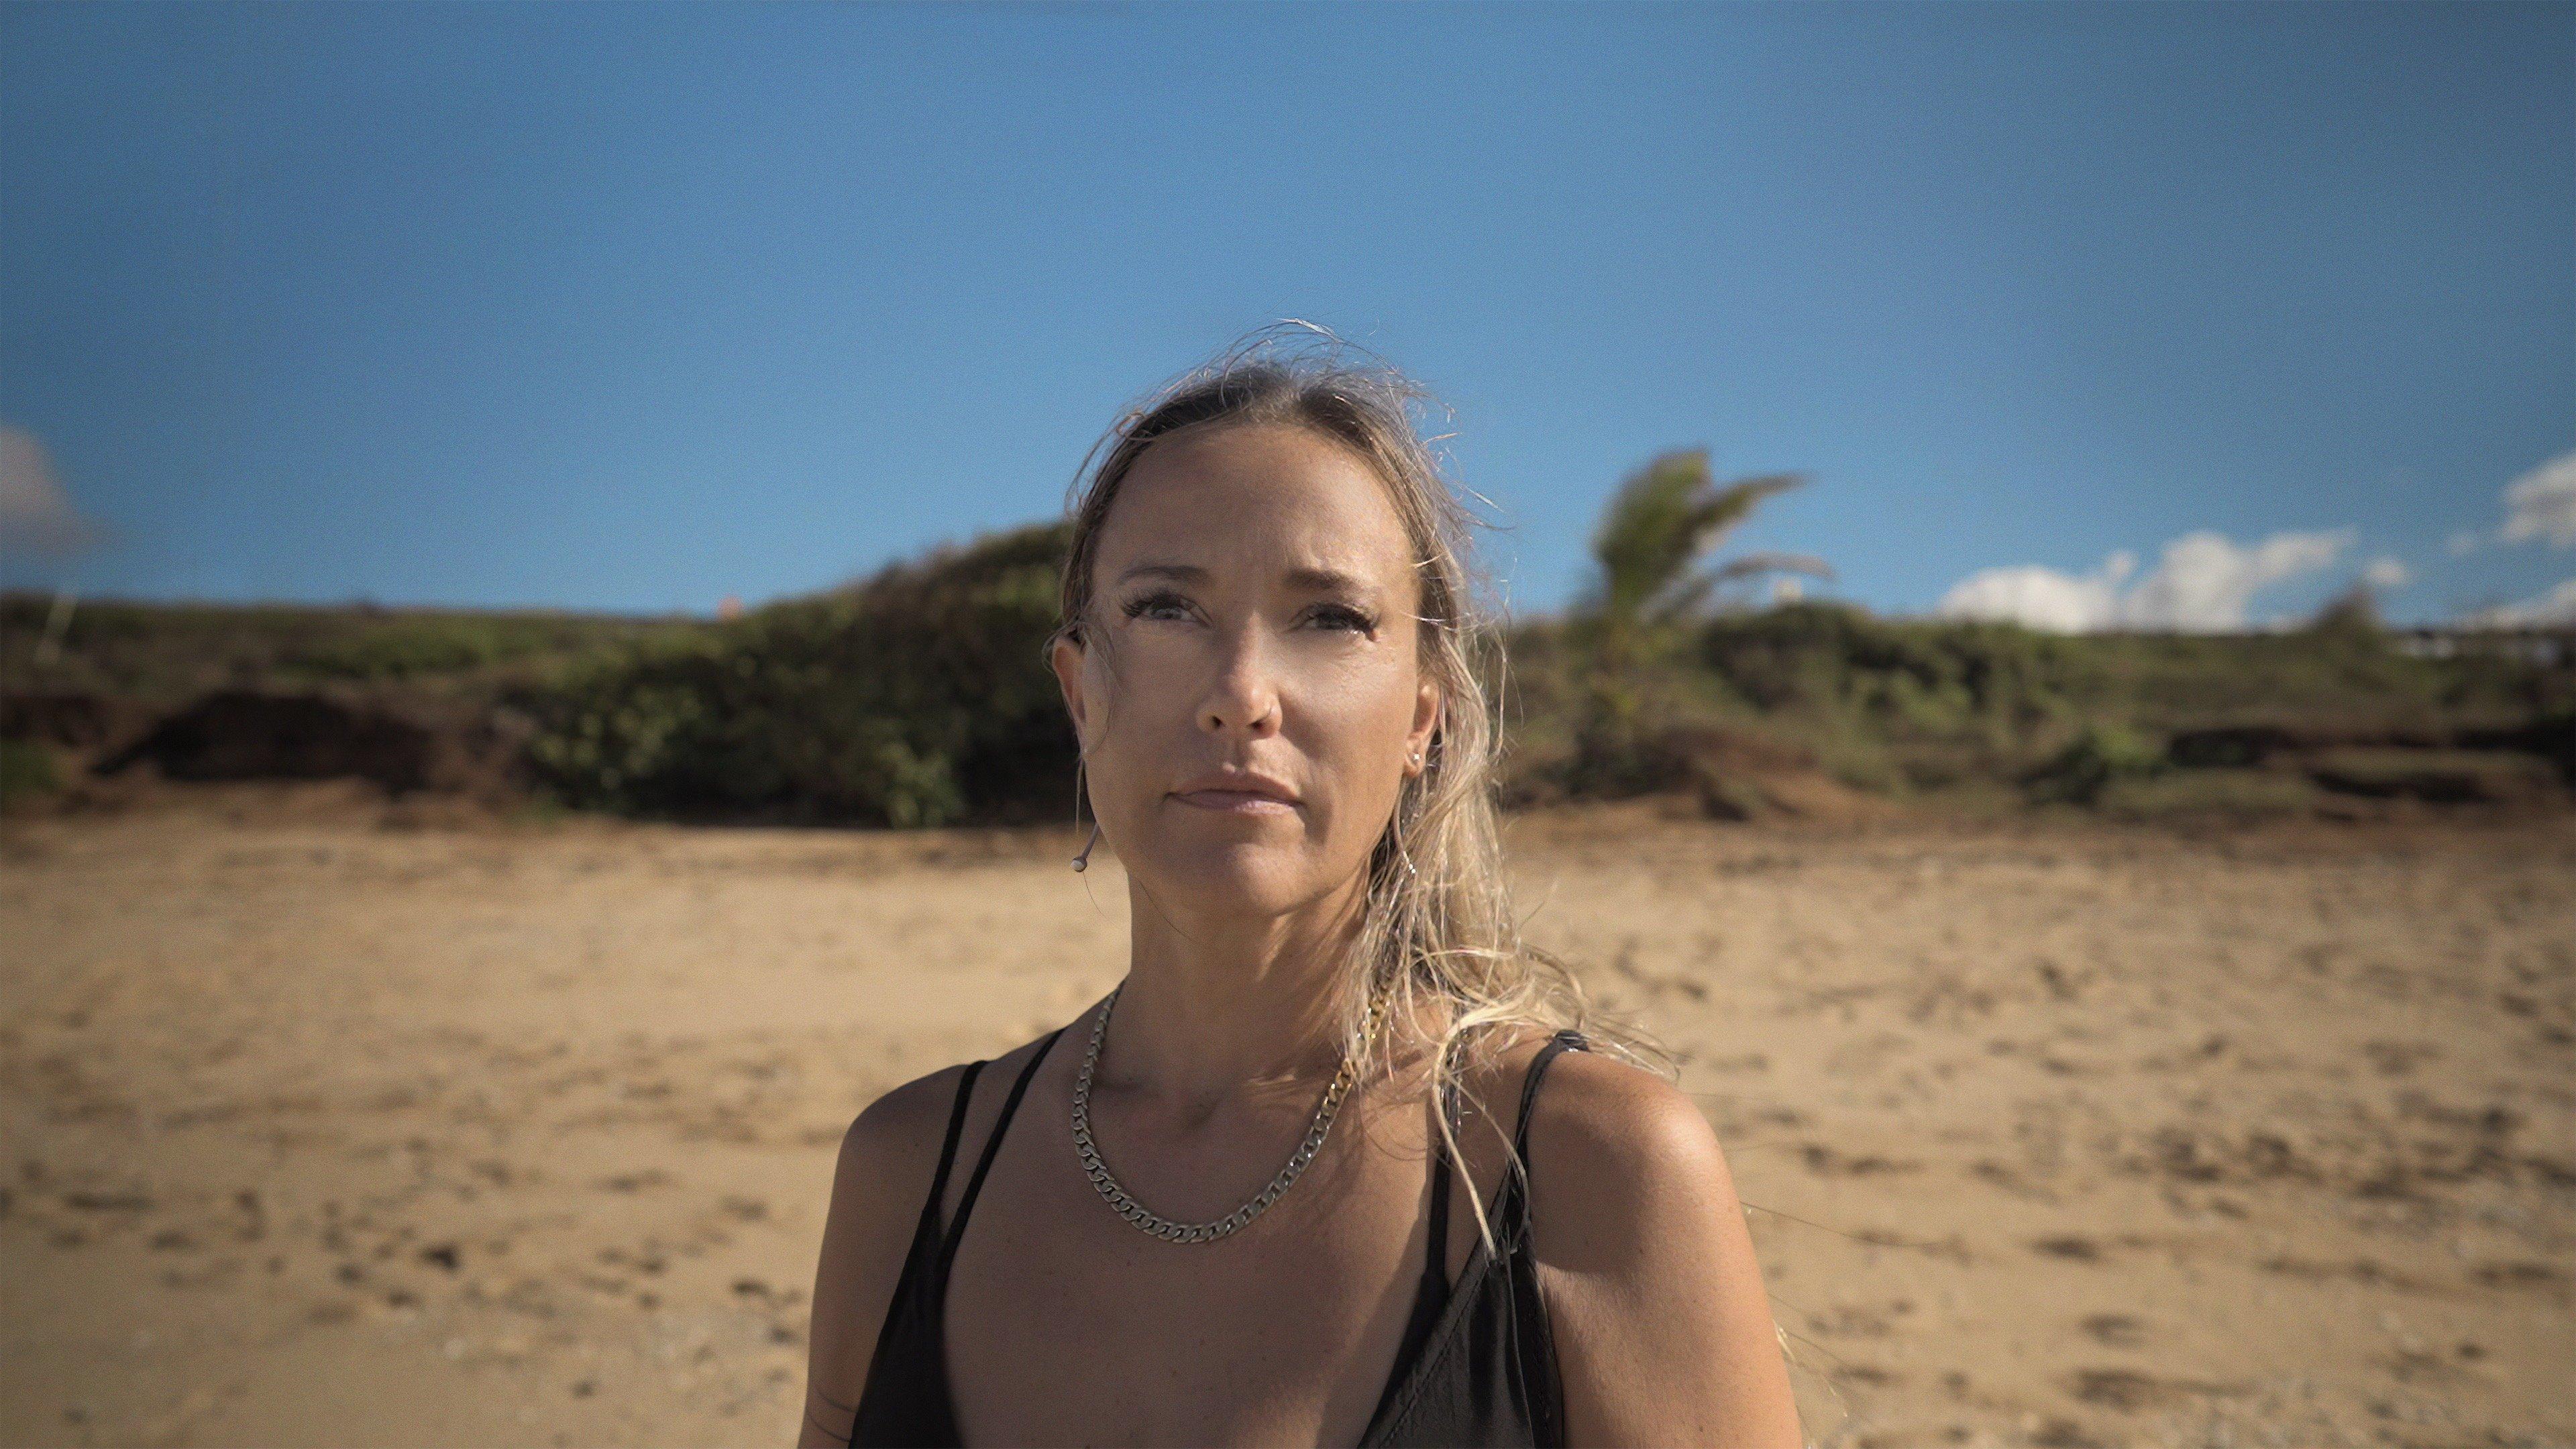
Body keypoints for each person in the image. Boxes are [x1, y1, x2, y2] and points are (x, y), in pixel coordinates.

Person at [800, 325, 1802, 1448]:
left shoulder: (1590, 1173)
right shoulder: (911, 1174)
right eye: (1167, 608)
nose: (1241, 694)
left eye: (1329, 617)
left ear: (1422, 718)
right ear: (1080, 696)